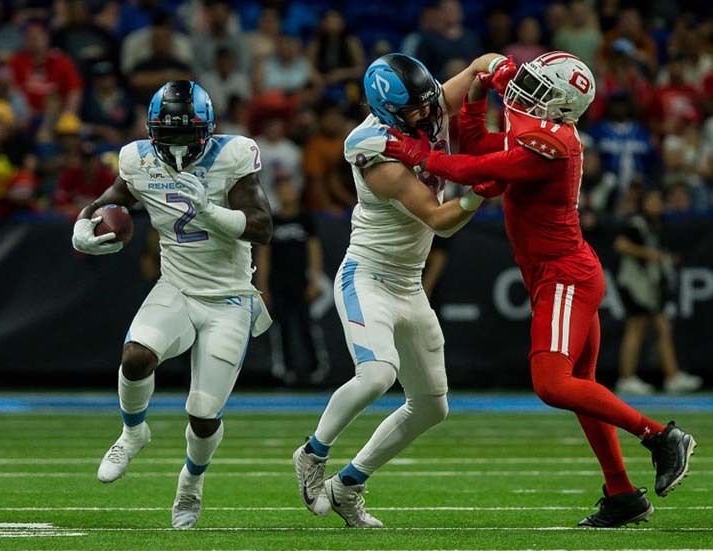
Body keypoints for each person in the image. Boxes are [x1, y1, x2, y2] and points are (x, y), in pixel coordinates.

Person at [382, 52, 696, 527]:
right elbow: (482, 145)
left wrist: (411, 153)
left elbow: (467, 169)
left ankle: (660, 437)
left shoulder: (552, 143)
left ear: (562, 105)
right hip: (557, 272)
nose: (527, 94)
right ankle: (621, 494)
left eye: (539, 89)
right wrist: (475, 96)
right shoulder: (540, 131)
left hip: (563, 274)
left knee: (552, 384)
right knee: (579, 390)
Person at [292, 52, 501, 527]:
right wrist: (482, 189)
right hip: (368, 276)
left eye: (429, 104)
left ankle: (349, 483)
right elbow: (440, 219)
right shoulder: (376, 155)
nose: (429, 114)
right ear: (389, 112)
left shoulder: (426, 106)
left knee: (431, 406)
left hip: (409, 284)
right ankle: (312, 452)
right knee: (377, 374)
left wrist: (504, 70)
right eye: (416, 111)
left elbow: (478, 66)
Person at [72, 81, 272, 529]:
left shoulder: (233, 155)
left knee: (203, 415)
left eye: (187, 136)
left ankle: (191, 482)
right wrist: (82, 227)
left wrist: (211, 211)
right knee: (136, 356)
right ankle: (132, 431)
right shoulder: (138, 159)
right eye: (170, 136)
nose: (179, 147)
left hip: (229, 298)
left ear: (207, 131)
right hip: (176, 287)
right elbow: (107, 203)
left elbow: (261, 227)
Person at [614, 188, 702, 395]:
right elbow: (621, 244)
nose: (655, 205)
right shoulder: (635, 223)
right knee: (636, 327)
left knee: (662, 327)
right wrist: (649, 254)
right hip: (635, 283)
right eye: (651, 200)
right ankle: (626, 378)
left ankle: (672, 376)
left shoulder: (658, 224)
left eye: (658, 200)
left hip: (651, 285)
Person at [255, 174, 327, 386]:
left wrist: (315, 280)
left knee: (307, 326)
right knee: (282, 328)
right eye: (283, 189)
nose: (288, 193)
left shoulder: (305, 220)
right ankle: (285, 371)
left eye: (290, 188)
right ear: (277, 194)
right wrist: (263, 286)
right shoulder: (273, 221)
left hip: (301, 282)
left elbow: (314, 252)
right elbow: (263, 255)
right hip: (279, 283)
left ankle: (316, 369)